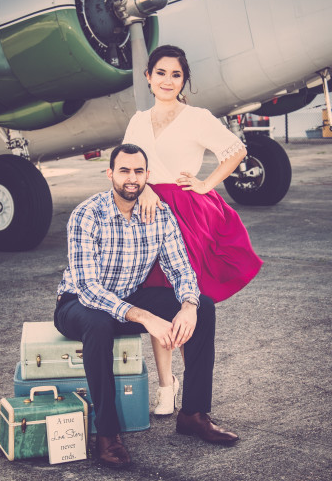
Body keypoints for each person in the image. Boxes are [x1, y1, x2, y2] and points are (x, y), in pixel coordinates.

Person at [54, 144, 238, 469]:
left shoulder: (160, 214)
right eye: (124, 170)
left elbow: (181, 269)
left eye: (138, 171)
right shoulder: (86, 214)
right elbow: (88, 289)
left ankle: (193, 414)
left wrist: (189, 304)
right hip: (78, 304)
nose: (131, 178)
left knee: (205, 307)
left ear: (147, 176)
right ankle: (107, 435)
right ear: (110, 173)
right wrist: (146, 318)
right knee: (98, 325)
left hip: (128, 296)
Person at [123, 44, 263, 416]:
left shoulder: (197, 117)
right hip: (146, 214)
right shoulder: (138, 120)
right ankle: (166, 386)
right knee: (156, 294)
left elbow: (235, 151)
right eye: (161, 73)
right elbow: (129, 165)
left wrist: (206, 184)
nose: (167, 80)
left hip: (186, 215)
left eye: (176, 74)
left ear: (184, 81)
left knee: (185, 298)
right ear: (148, 76)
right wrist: (146, 187)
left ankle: (191, 391)